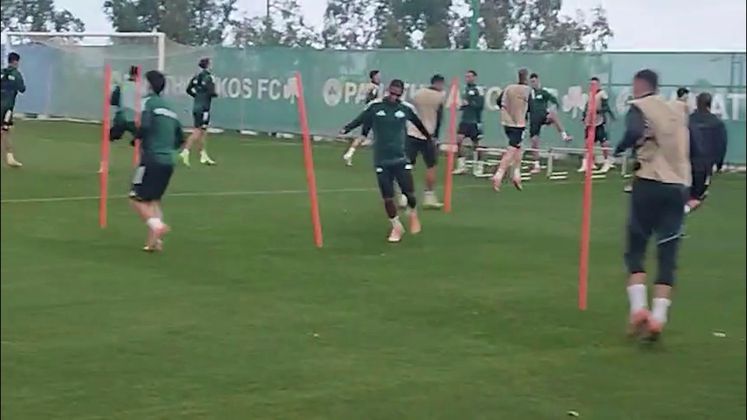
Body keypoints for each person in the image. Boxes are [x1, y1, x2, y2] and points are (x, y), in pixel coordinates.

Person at [613, 69, 693, 342]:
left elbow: (634, 131)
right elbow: (696, 147)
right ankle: (658, 317)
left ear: (639, 85)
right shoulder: (678, 110)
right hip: (677, 187)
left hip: (648, 182)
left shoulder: (641, 107)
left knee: (636, 249)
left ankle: (638, 309)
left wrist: (620, 148)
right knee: (667, 253)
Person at [340, 79, 432, 243]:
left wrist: (429, 138)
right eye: (392, 93)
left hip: (400, 158)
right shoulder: (375, 106)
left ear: (401, 94)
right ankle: (396, 226)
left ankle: (412, 213)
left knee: (409, 193)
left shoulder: (406, 108)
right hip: (381, 159)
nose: (394, 96)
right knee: (387, 197)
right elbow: (361, 119)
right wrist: (346, 128)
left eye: (397, 94)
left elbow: (418, 124)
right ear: (388, 90)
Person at [130, 70, 184, 252]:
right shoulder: (171, 109)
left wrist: (136, 137)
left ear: (149, 85)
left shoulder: (149, 102)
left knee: (136, 199)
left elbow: (145, 125)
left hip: (152, 158)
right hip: (169, 160)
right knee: (153, 201)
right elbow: (180, 138)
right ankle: (154, 243)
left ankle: (157, 226)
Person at [406, 74, 446, 209]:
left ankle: (404, 195)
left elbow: (410, 112)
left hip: (412, 132)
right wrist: (436, 137)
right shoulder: (440, 97)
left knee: (407, 166)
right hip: (428, 134)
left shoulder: (418, 94)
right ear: (439, 83)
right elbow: (439, 118)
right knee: (431, 166)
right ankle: (429, 196)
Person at [685, 92, 728, 214]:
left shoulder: (688, 120)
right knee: (697, 196)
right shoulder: (717, 123)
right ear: (710, 104)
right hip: (705, 165)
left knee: (687, 194)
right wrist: (719, 164)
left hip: (687, 162)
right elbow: (721, 145)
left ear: (697, 103)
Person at [491, 68, 532, 192]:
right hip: (518, 124)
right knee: (512, 150)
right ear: (526, 78)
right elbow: (532, 107)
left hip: (506, 122)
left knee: (519, 148)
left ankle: (516, 175)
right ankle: (499, 175)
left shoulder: (509, 88)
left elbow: (499, 101)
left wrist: (508, 110)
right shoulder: (527, 90)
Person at [528, 73, 572, 173]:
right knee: (534, 142)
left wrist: (556, 106)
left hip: (544, 116)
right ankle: (536, 165)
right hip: (534, 120)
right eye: (532, 82)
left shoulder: (543, 92)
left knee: (553, 116)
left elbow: (553, 99)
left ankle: (564, 136)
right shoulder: (529, 94)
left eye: (534, 81)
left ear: (538, 81)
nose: (533, 83)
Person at [180, 57, 217, 166]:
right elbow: (211, 92)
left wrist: (196, 96)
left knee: (203, 132)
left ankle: (203, 154)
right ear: (207, 65)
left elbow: (188, 89)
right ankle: (185, 151)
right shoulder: (209, 77)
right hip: (204, 108)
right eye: (210, 64)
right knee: (198, 131)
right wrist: (214, 94)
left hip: (196, 107)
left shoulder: (196, 77)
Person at [343, 69, 382, 166]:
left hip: (370, 113)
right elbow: (371, 98)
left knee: (363, 135)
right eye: (378, 76)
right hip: (372, 113)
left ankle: (349, 153)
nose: (380, 77)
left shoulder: (373, 86)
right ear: (374, 77)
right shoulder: (373, 87)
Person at [580, 77, 615, 173]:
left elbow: (606, 107)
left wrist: (598, 111)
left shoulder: (602, 94)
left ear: (598, 85)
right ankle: (587, 162)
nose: (592, 86)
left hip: (599, 122)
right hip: (590, 122)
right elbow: (587, 107)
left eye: (594, 84)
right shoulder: (590, 94)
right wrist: (584, 116)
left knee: (604, 143)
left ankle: (607, 162)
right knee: (588, 143)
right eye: (591, 84)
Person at [453, 70, 484, 175]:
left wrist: (469, 103)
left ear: (474, 77)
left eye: (470, 76)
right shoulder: (465, 90)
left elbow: (480, 105)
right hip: (464, 120)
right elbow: (464, 104)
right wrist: (461, 106)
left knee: (476, 144)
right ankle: (462, 166)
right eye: (467, 77)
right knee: (459, 141)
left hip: (474, 121)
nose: (468, 78)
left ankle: (479, 167)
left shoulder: (478, 89)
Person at [1, 52, 26, 168]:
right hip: (7, 107)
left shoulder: (2, 72)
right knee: (6, 131)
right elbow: (22, 89)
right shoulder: (16, 74)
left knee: (4, 131)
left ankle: (10, 157)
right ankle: (10, 158)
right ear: (16, 61)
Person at [110, 65, 141, 142]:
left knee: (114, 134)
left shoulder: (121, 85)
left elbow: (113, 101)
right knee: (140, 135)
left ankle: (114, 134)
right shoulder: (141, 87)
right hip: (134, 118)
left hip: (121, 116)